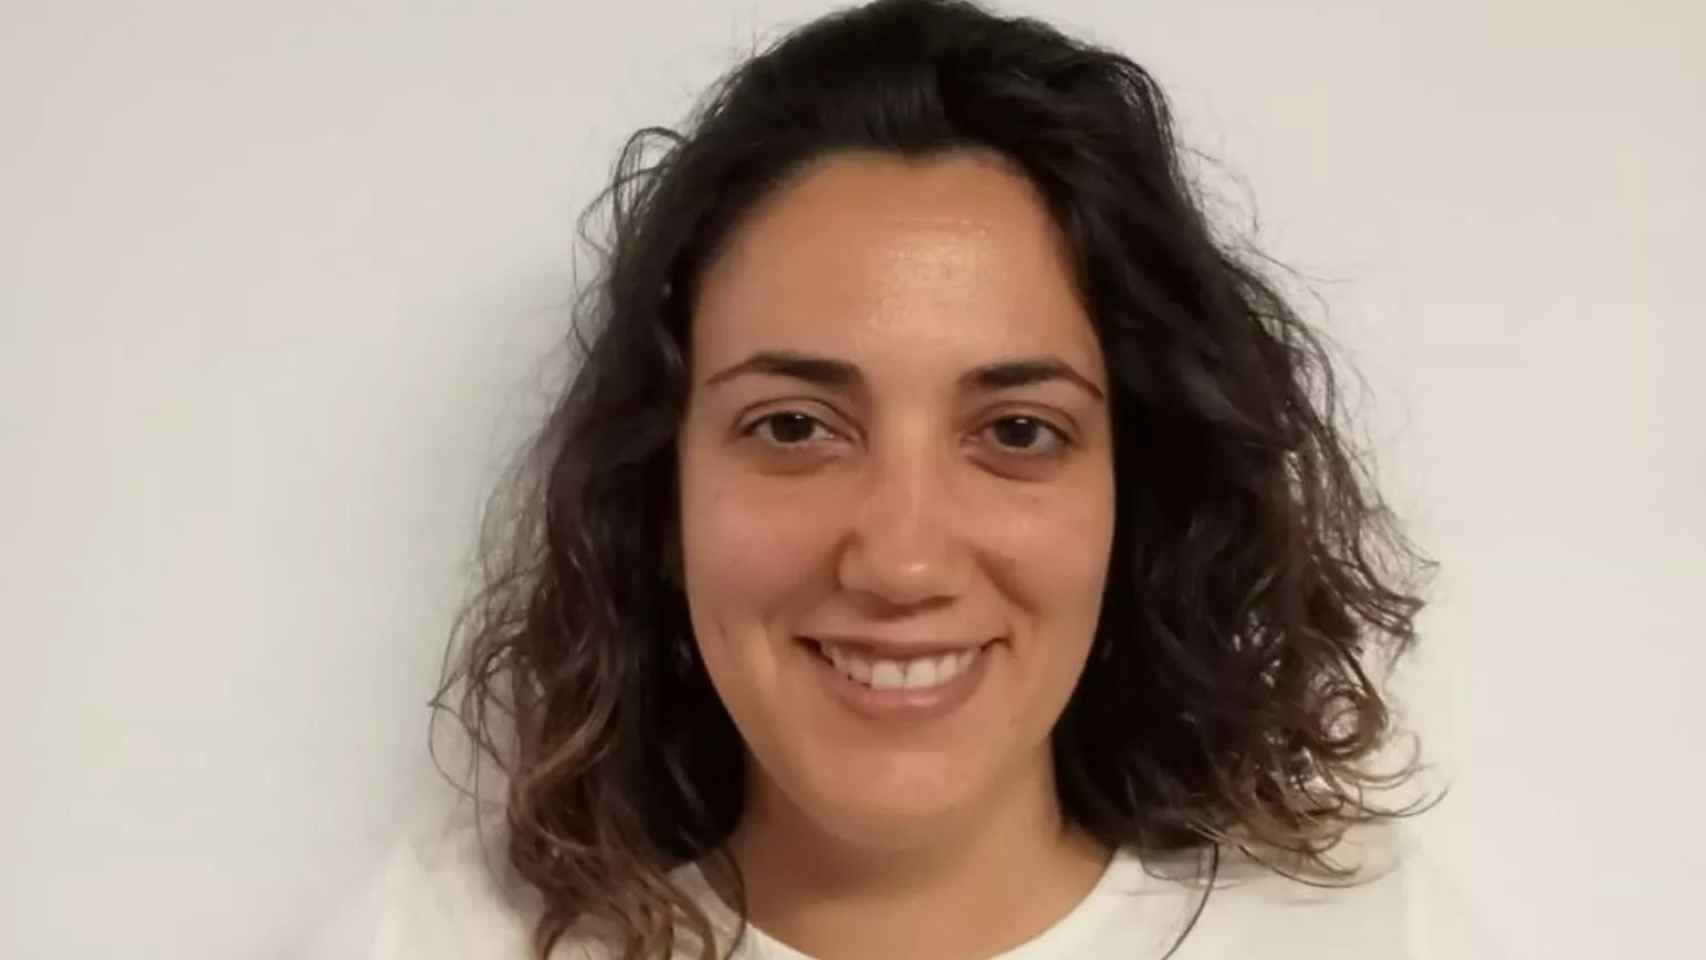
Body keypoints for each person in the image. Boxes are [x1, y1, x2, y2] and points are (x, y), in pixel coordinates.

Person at [334, 1, 1456, 957]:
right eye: (793, 427)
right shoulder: (445, 938)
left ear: (1138, 496)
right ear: (660, 492)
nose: (902, 560)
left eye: (1017, 431)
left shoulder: (1362, 933)